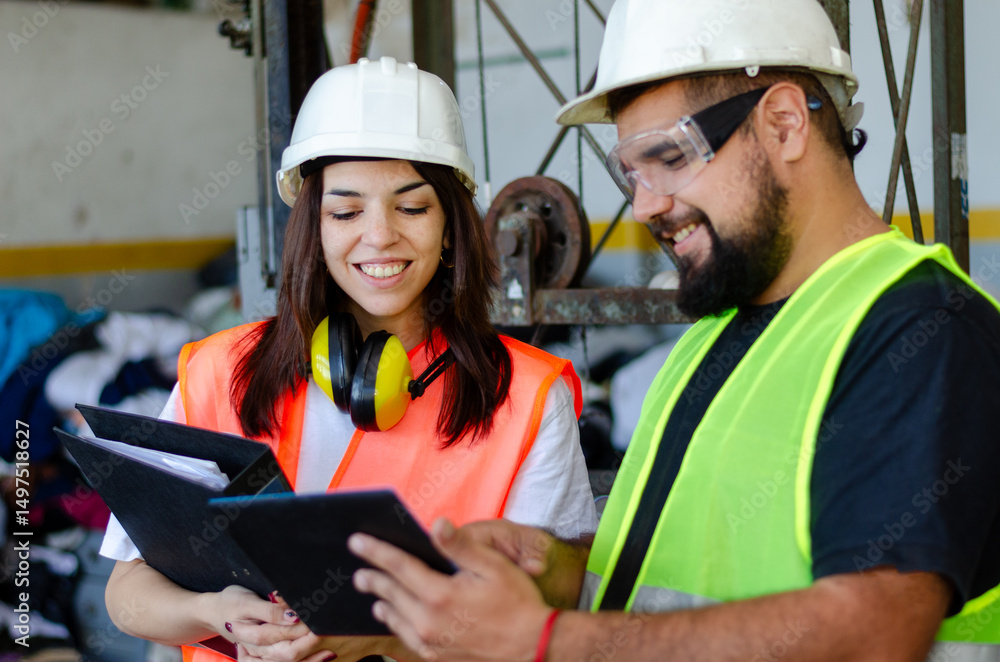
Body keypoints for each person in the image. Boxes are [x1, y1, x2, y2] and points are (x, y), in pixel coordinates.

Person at [347, 1, 1000, 661]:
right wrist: (556, 571)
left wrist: (545, 640)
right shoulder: (711, 340)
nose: (645, 204)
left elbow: (875, 632)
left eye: (668, 156)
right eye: (630, 172)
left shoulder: (922, 329)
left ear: (783, 123)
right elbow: (674, 583)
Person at [99, 56, 599, 662]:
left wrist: (381, 638)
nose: (380, 234)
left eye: (412, 207)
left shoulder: (525, 394)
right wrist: (217, 614)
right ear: (314, 226)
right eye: (346, 211)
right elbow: (127, 591)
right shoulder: (218, 373)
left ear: (450, 228)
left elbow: (551, 611)